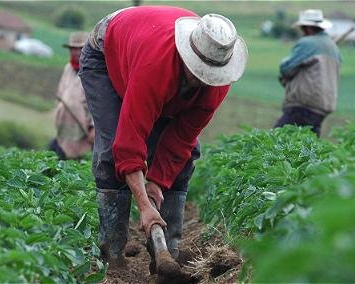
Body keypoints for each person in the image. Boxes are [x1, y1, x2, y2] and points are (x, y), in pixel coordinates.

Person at [79, 6, 247, 270]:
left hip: (149, 57)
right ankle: (112, 255)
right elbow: (129, 143)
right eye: (197, 70)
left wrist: (156, 183)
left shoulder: (216, 83)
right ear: (185, 56)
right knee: (112, 152)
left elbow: (181, 140)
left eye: (208, 74)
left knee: (186, 158)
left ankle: (167, 252)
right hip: (107, 52)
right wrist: (144, 206)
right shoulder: (154, 67)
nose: (203, 79)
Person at [274, 9, 341, 136]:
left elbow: (286, 68)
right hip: (322, 108)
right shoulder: (334, 48)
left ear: (308, 29)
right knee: (309, 146)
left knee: (276, 139)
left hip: (303, 105)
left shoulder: (307, 43)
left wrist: (284, 62)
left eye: (303, 29)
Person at [52, 32, 95, 160]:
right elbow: (60, 94)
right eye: (73, 49)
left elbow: (99, 102)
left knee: (81, 166)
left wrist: (94, 128)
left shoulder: (93, 71)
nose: (76, 52)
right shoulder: (68, 69)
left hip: (84, 130)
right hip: (65, 129)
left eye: (80, 49)